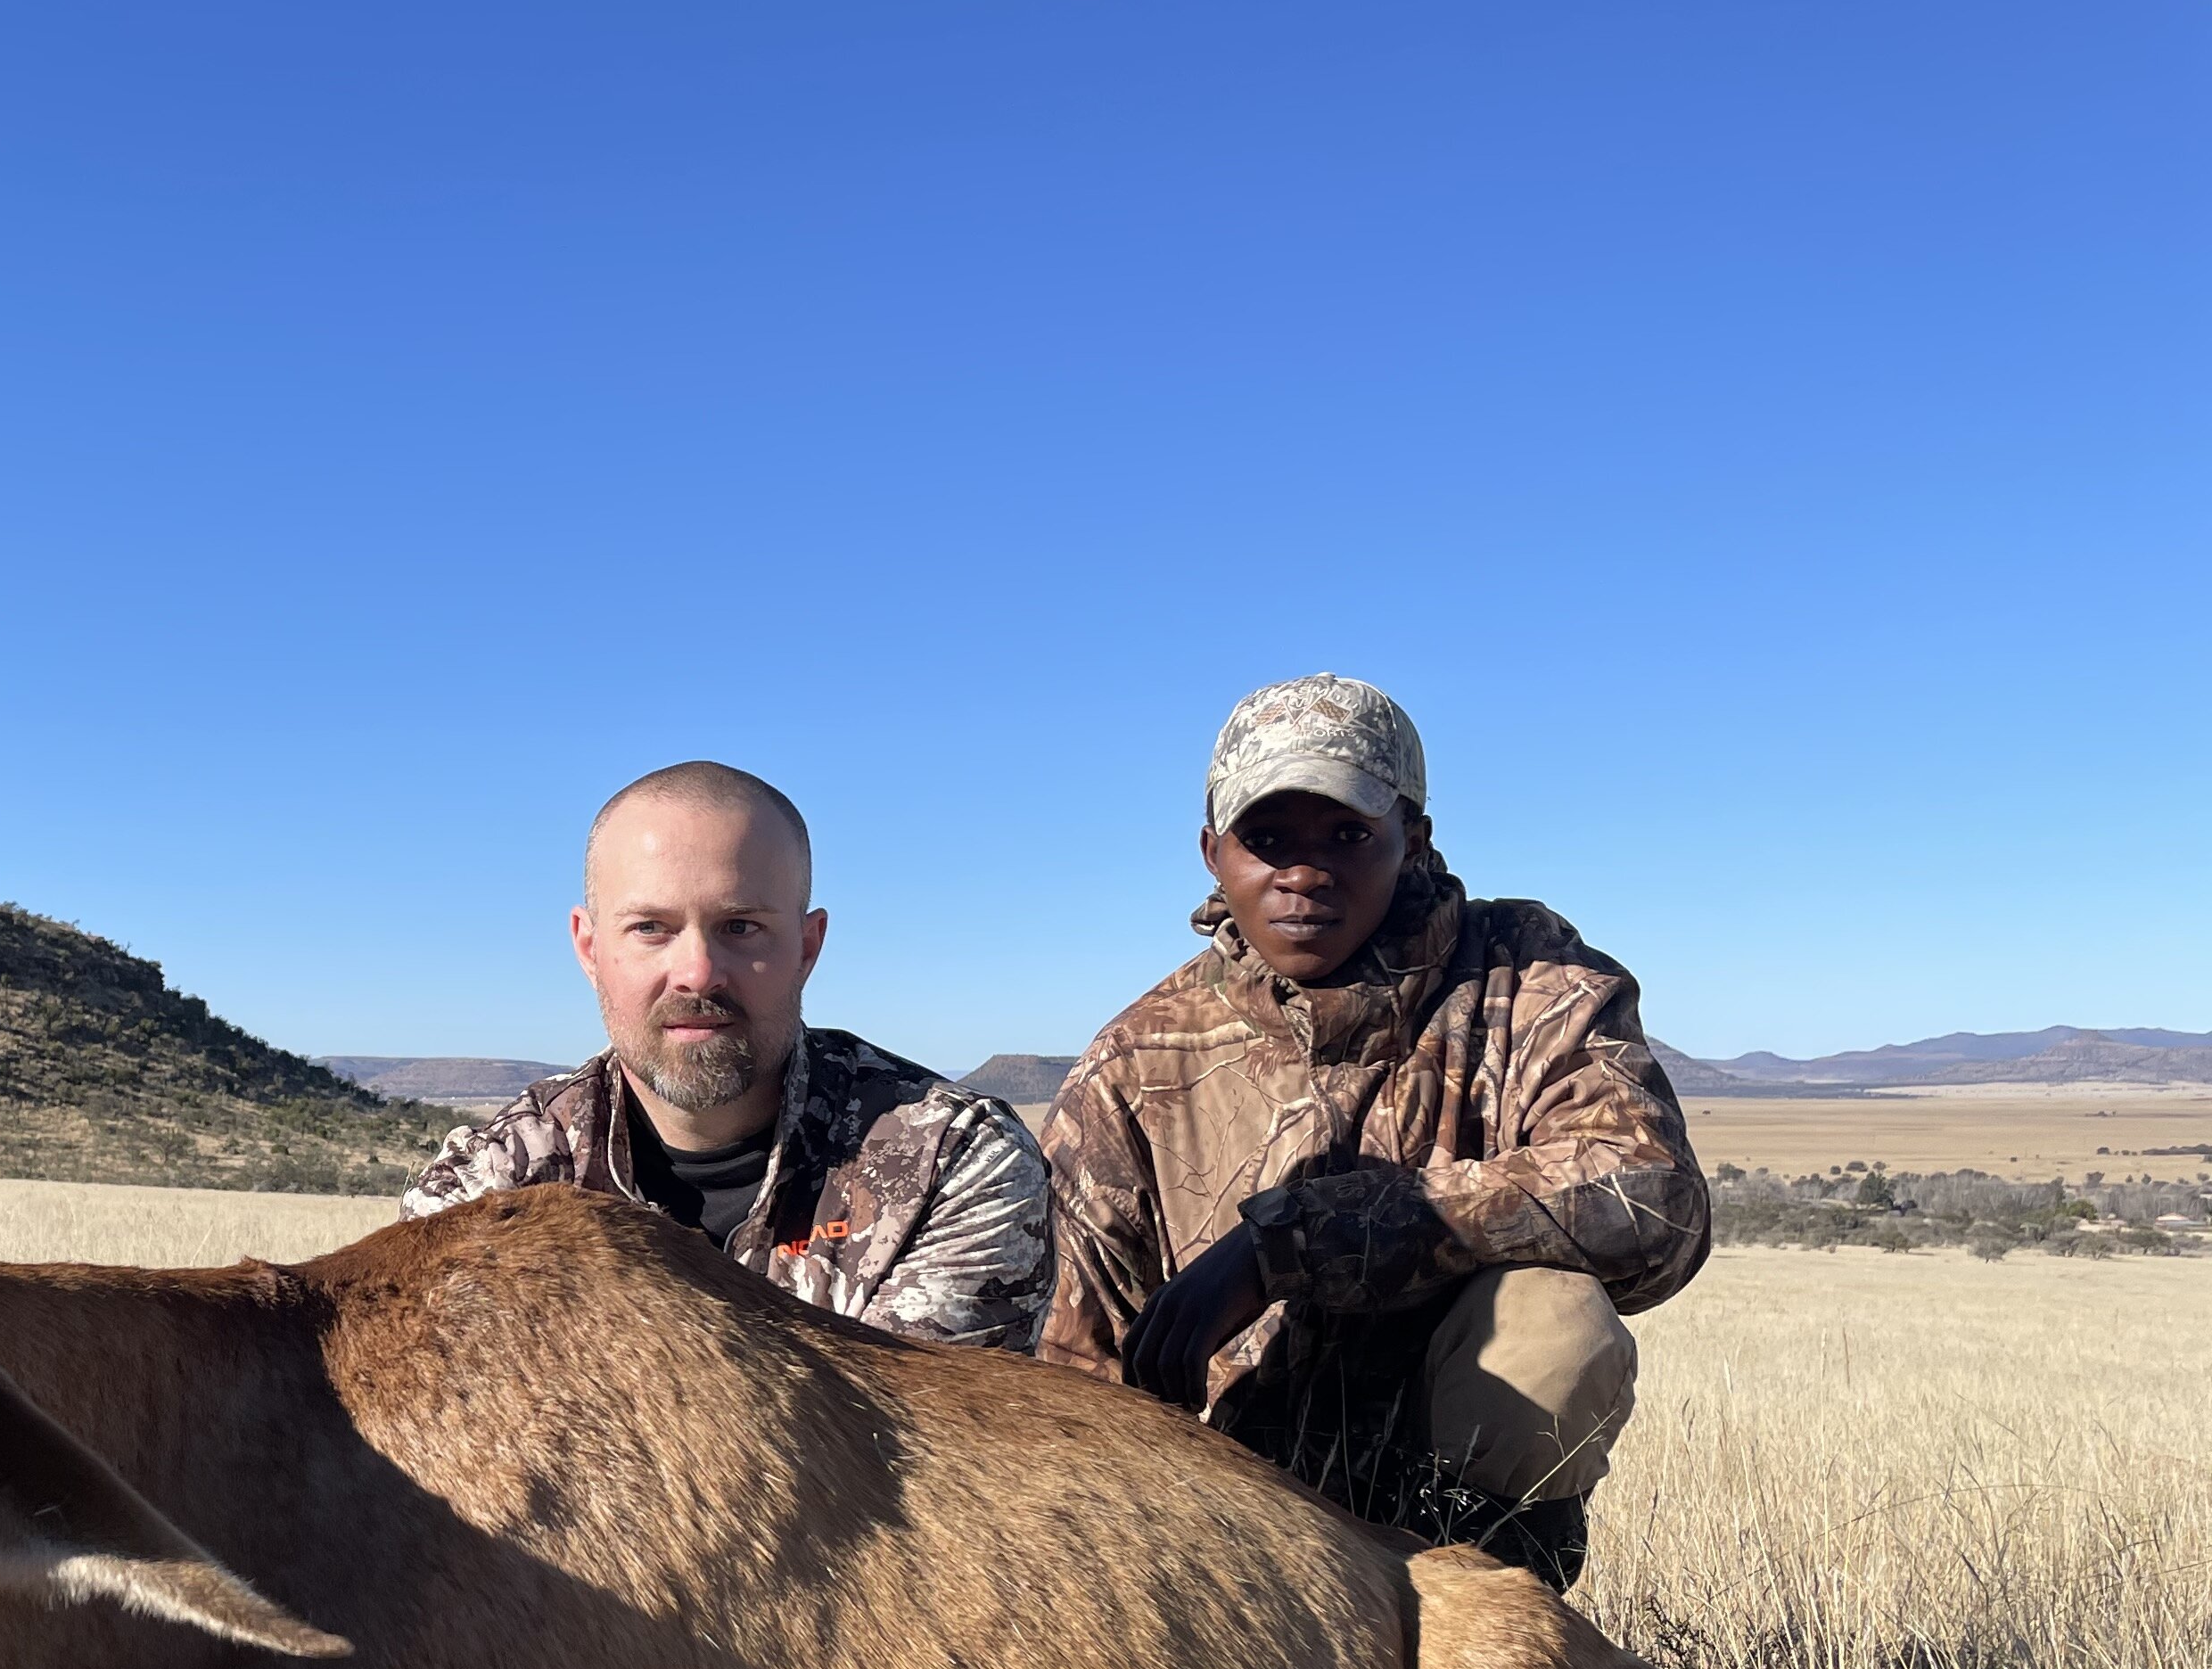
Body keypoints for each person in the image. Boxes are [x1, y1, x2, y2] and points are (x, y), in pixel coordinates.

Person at [1033, 675, 1707, 1584]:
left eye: (1348, 835)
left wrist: (1289, 1246)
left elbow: (1654, 1198)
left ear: (1412, 839)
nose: (1304, 873)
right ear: (1211, 853)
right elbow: (1072, 1373)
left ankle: (1485, 1619)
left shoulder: (1527, 975)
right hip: (1221, 1516)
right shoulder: (1132, 1063)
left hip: (1456, 1511)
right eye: (1266, 840)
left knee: (1556, 1322)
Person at [405, 761, 1050, 1349]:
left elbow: (918, 1453)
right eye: (650, 928)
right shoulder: (489, 1185)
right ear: (589, 948)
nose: (698, 973)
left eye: (740, 927)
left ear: (806, 946)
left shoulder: (953, 1162)